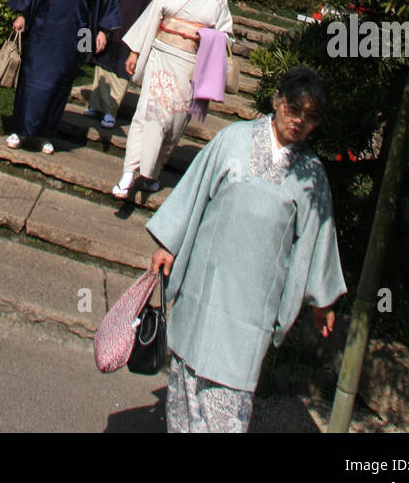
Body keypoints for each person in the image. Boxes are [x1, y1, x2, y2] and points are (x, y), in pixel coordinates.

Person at [146, 67, 346, 434]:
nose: (299, 121)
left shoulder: (311, 175)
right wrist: (168, 244)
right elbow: (194, 191)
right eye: (293, 109)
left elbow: (319, 237)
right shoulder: (233, 140)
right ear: (277, 101)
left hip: (252, 307)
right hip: (204, 286)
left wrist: (322, 302)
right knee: (184, 393)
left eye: (310, 116)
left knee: (229, 405)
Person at [112, 0, 233, 198]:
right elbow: (150, 18)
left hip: (190, 66)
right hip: (160, 58)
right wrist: (134, 52)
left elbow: (226, 37)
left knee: (173, 123)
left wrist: (208, 36)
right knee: (146, 115)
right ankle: (127, 173)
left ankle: (152, 173)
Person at [7, 0, 121, 155]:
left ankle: (46, 134)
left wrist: (102, 31)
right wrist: (23, 14)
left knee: (60, 83)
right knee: (31, 80)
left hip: (77, 36)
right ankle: (19, 130)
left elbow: (105, 3)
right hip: (43, 28)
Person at [83, 0, 160, 130]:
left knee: (120, 70)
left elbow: (153, 9)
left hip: (131, 30)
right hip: (111, 27)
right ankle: (94, 104)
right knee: (103, 67)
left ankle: (110, 111)